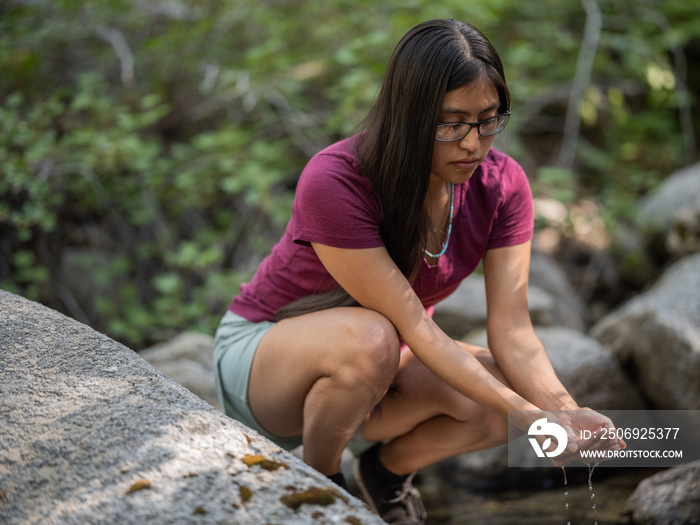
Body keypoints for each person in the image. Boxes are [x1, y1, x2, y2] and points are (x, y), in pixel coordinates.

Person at [213, 18, 624, 525]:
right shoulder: (337, 180)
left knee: (499, 387)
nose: (473, 143)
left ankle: (386, 474)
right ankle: (322, 487)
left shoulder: (502, 185)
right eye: (451, 123)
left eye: (488, 119)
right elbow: (412, 324)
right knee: (373, 338)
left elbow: (514, 331)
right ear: (408, 115)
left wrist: (561, 411)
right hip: (268, 363)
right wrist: (532, 418)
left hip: (383, 366)